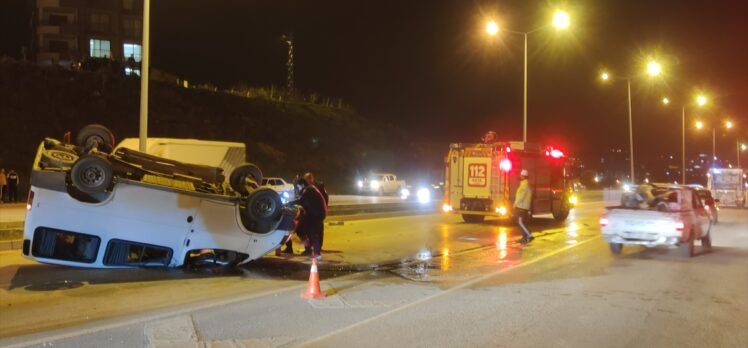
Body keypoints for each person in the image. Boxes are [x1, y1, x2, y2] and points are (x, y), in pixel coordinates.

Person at [290, 173, 327, 260]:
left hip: (317, 214)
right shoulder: (310, 189)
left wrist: (288, 203)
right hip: (316, 213)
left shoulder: (308, 190)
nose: (298, 189)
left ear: (302, 185)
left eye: (298, 187)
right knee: (309, 231)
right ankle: (312, 250)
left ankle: (317, 254)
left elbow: (301, 201)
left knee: (313, 233)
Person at [514, 169, 534, 243]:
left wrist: (516, 203)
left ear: (523, 176)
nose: (520, 176)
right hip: (524, 207)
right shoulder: (526, 184)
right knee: (522, 222)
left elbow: (522, 195)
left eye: (521, 175)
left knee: (520, 222)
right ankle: (524, 238)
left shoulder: (524, 184)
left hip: (522, 206)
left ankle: (529, 235)